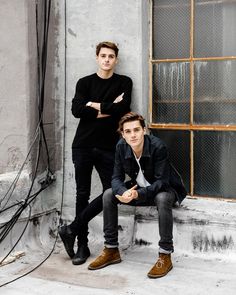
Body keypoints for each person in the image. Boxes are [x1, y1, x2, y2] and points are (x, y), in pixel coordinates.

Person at [59, 41, 133, 265]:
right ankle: (82, 245)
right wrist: (106, 106)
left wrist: (92, 106)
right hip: (82, 145)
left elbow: (123, 109)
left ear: (116, 60)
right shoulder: (84, 82)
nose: (107, 59)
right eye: (103, 55)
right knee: (81, 194)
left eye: (111, 56)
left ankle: (71, 228)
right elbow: (76, 110)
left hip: (109, 147)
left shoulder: (124, 82)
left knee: (113, 191)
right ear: (97, 58)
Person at [88, 112, 187, 278]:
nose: (133, 135)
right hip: (138, 189)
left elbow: (161, 182)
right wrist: (122, 192)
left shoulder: (158, 146)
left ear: (144, 130)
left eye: (136, 130)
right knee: (108, 194)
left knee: (162, 198)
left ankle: (165, 255)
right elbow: (116, 177)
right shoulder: (121, 146)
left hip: (164, 189)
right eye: (128, 131)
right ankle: (111, 250)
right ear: (123, 134)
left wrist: (137, 194)